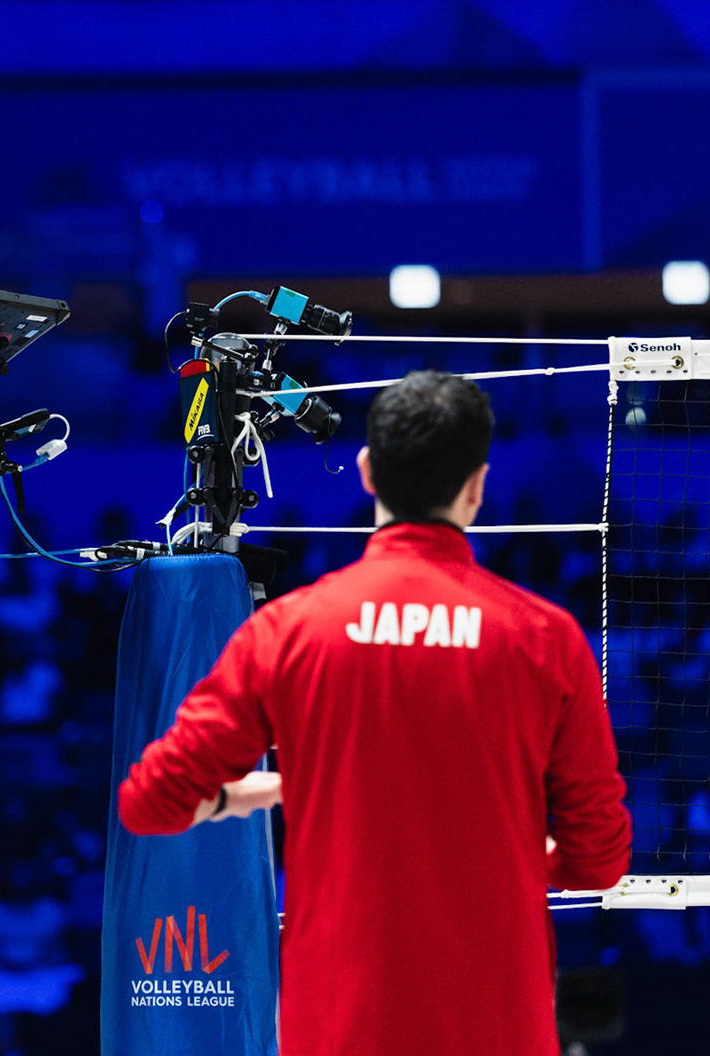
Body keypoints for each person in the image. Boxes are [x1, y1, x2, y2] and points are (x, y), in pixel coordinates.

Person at [117, 370, 631, 1056]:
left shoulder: (293, 630)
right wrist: (493, 854)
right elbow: (598, 862)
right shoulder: (545, 638)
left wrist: (244, 795)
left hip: (340, 1025)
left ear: (366, 471)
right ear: (477, 485)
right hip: (497, 1023)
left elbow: (149, 803)